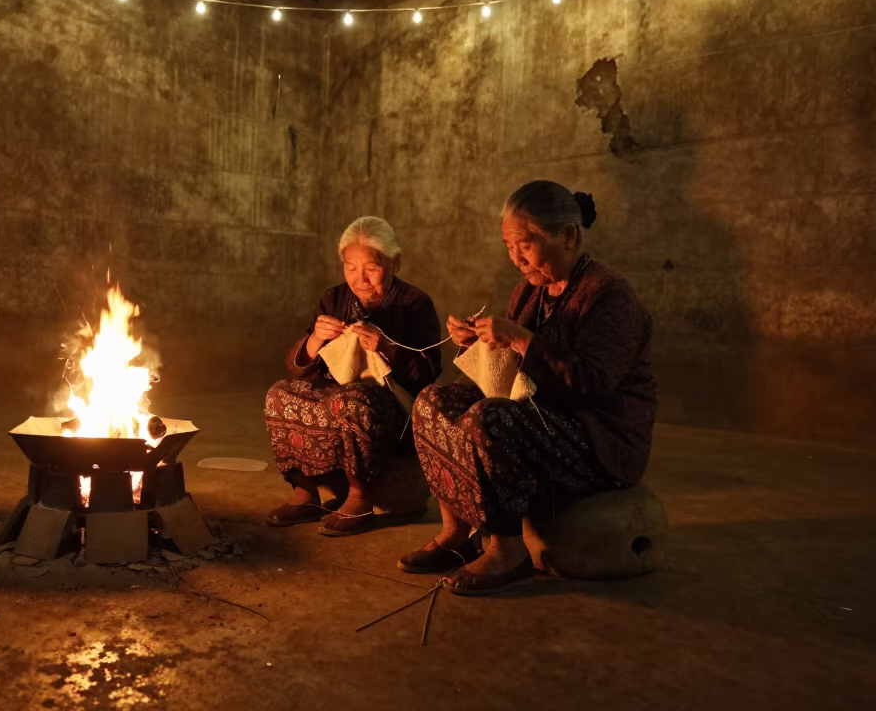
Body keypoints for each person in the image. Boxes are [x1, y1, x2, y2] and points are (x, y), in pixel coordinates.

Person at [400, 180, 656, 595]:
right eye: (508, 244)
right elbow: (513, 370)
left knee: (491, 417)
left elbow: (594, 383)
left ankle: (507, 550)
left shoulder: (610, 296)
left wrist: (520, 338)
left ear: (567, 236)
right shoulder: (529, 291)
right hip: (543, 416)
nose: (515, 257)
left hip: (601, 438)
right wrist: (482, 339)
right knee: (433, 400)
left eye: (526, 243)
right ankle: (457, 533)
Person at [264, 216, 443, 536]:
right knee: (281, 393)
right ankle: (306, 492)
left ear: (394, 262)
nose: (359, 279)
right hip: (339, 398)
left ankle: (360, 497)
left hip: (393, 409)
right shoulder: (334, 299)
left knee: (353, 400)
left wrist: (388, 349)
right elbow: (300, 367)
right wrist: (317, 339)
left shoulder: (415, 303)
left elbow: (428, 373)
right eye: (350, 268)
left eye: (371, 268)